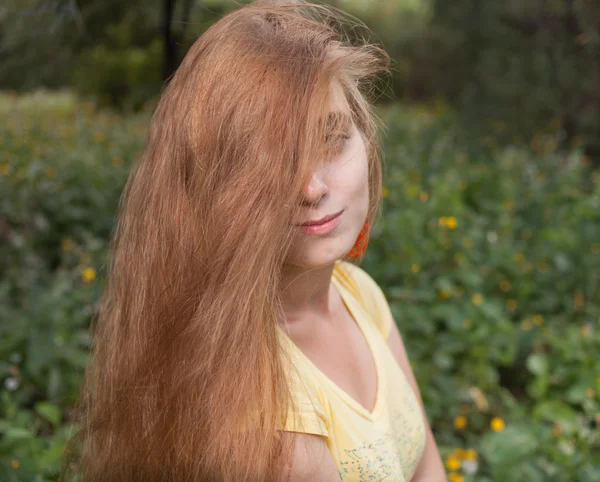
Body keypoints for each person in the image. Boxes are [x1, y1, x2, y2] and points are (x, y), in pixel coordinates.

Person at [62, 1, 446, 481]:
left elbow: (428, 466)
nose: (312, 188)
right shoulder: (266, 428)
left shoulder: (359, 294)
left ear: (365, 137)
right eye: (274, 162)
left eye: (332, 139)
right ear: (214, 185)